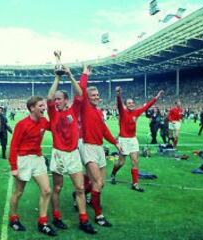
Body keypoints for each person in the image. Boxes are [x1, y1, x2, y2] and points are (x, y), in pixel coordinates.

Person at [47, 65, 96, 234]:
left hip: (73, 154)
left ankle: (83, 220)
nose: (57, 101)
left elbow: (81, 94)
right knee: (58, 188)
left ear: (66, 100)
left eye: (60, 99)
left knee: (80, 188)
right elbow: (49, 97)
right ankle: (56, 216)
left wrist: (70, 75)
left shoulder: (74, 111)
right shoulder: (53, 113)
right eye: (56, 99)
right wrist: (58, 78)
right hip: (58, 154)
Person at [79, 66, 122, 227]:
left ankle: (81, 194)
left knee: (100, 183)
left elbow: (104, 130)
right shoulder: (84, 107)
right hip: (88, 147)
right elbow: (81, 90)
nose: (96, 97)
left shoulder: (98, 111)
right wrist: (85, 75)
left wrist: (115, 143)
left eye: (98, 95)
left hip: (99, 148)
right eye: (93, 95)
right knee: (97, 182)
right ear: (88, 97)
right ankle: (98, 215)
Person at [8, 96, 57, 237]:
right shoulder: (22, 124)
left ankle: (43, 222)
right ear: (32, 108)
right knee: (18, 192)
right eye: (41, 105)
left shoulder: (43, 121)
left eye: (44, 105)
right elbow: (13, 146)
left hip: (38, 159)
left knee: (47, 190)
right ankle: (13, 218)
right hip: (23, 159)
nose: (44, 108)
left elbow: (55, 126)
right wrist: (13, 166)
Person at [110, 87, 163, 192]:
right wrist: (118, 95)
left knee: (135, 161)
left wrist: (156, 97)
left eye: (132, 102)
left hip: (133, 140)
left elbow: (147, 106)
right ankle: (113, 173)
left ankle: (135, 184)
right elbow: (119, 104)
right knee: (121, 163)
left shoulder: (137, 112)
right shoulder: (122, 111)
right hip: (123, 140)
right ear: (126, 105)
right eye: (129, 103)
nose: (131, 104)